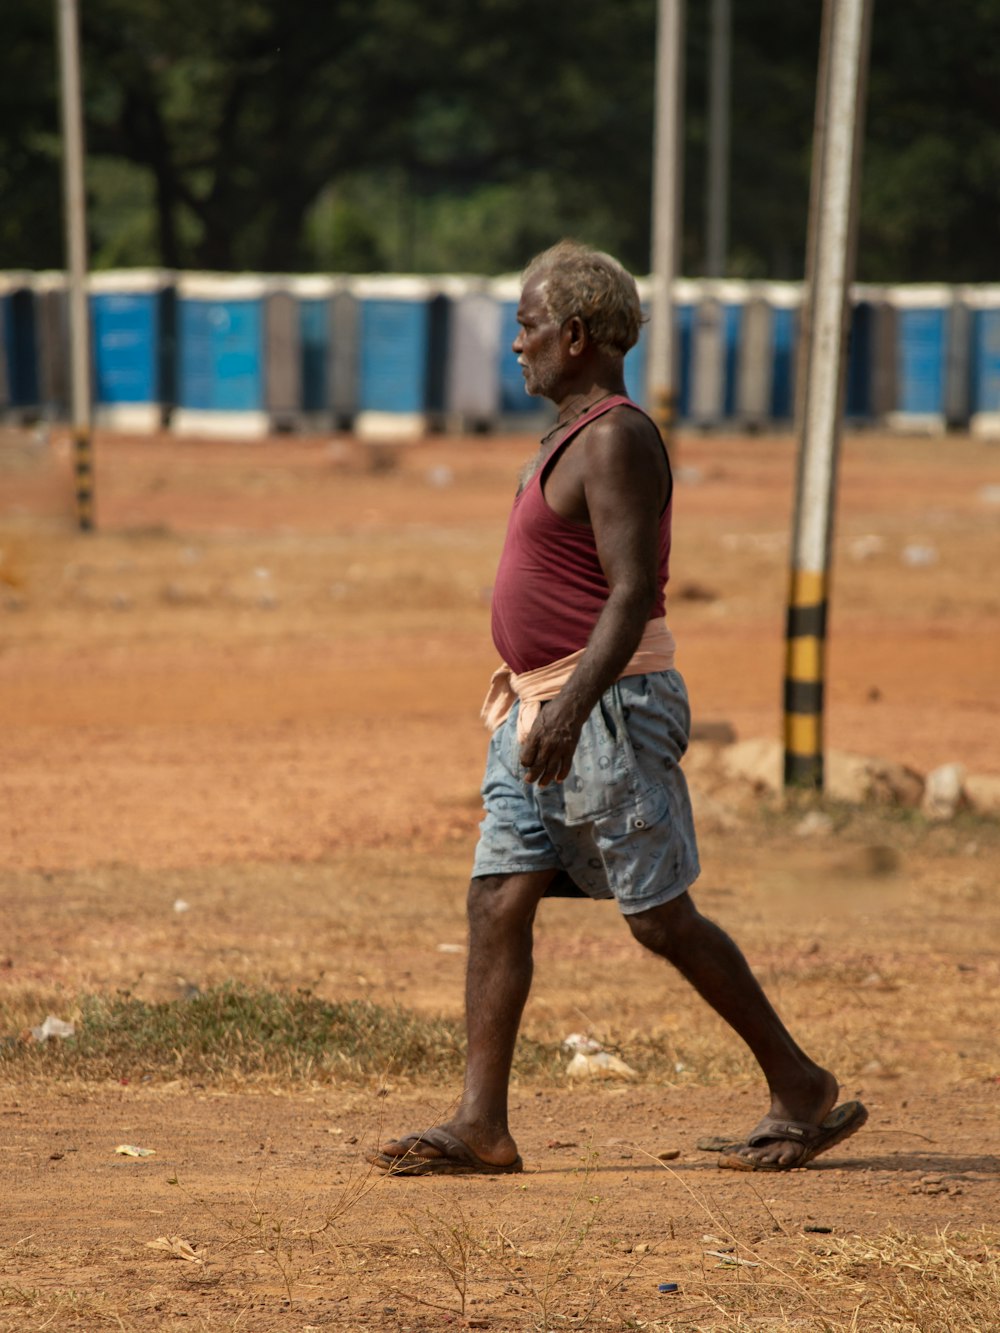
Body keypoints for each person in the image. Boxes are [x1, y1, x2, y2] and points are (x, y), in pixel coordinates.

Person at [372, 240, 866, 1176]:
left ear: (578, 333)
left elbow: (631, 591)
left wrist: (568, 713)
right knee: (498, 898)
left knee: (658, 916)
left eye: (526, 327)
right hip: (541, 707)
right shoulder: (566, 434)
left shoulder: (613, 437)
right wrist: (540, 709)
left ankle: (798, 1082)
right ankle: (482, 1123)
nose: (515, 345)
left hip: (603, 707)